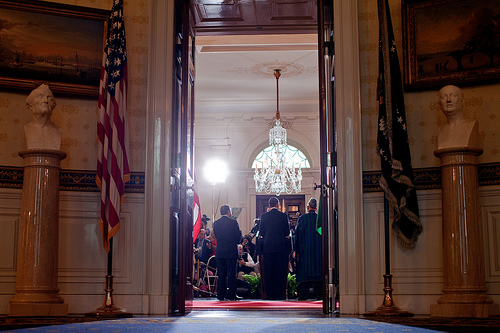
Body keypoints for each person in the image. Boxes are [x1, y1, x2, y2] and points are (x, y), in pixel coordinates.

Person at [258, 197, 291, 300]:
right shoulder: (283, 216)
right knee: (279, 271)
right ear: (278, 205)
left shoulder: (264, 216)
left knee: (268, 271)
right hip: (280, 247)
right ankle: (279, 293)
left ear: (269, 205)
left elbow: (261, 232)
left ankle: (269, 293)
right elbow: (287, 232)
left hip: (267, 247)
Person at [294, 198, 322, 300]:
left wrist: (295, 250)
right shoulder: (320, 219)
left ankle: (303, 294)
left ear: (307, 207)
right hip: (318, 250)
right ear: (316, 208)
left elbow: (297, 236)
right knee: (318, 271)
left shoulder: (302, 219)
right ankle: (319, 293)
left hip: (304, 250)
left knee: (305, 272)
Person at [213, 204, 242, 301]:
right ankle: (231, 295)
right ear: (228, 212)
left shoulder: (216, 223)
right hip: (231, 251)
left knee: (221, 274)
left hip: (220, 251)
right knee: (231, 274)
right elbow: (238, 238)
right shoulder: (233, 222)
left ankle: (221, 295)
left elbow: (216, 236)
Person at [437, 85, 479, 150]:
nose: (448, 100)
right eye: (443, 97)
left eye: (453, 96)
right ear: (439, 104)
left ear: (462, 101)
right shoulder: (440, 129)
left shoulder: (472, 125)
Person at [24, 84, 62, 150]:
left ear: (53, 105)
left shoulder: (58, 131)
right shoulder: (26, 129)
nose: (45, 101)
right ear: (30, 105)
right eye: (40, 97)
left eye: (49, 98)